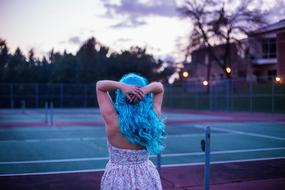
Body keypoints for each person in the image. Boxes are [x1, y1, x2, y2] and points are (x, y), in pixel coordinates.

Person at [96, 73, 165, 190]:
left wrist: (121, 86)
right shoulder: (152, 118)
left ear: (121, 96)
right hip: (146, 176)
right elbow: (159, 88)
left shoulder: (112, 119)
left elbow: (100, 86)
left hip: (117, 178)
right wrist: (146, 89)